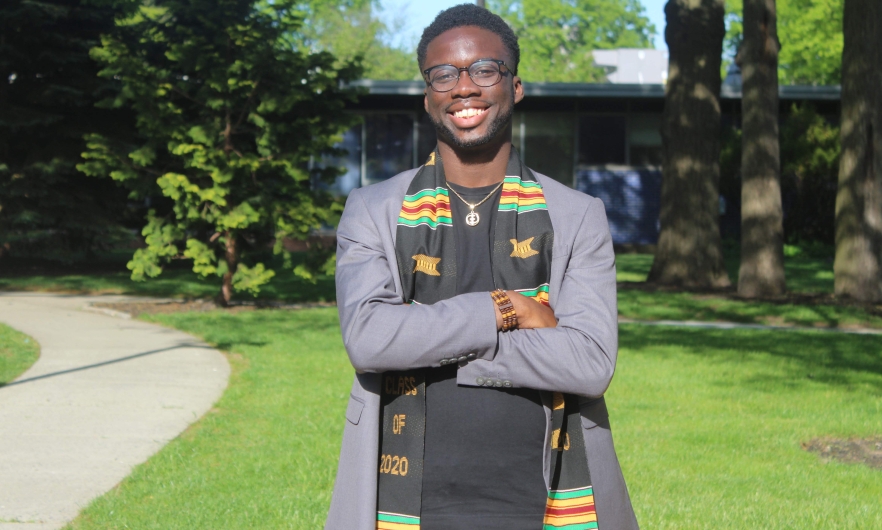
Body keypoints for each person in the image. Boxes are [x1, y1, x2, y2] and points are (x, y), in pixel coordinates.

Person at [326, 4, 638, 529]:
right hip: (403, 504)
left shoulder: (577, 215)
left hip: (543, 501)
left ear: (515, 86)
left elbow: (589, 362)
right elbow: (370, 339)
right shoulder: (371, 210)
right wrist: (504, 308)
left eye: (484, 70)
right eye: (444, 74)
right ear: (428, 95)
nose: (464, 87)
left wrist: (426, 341)